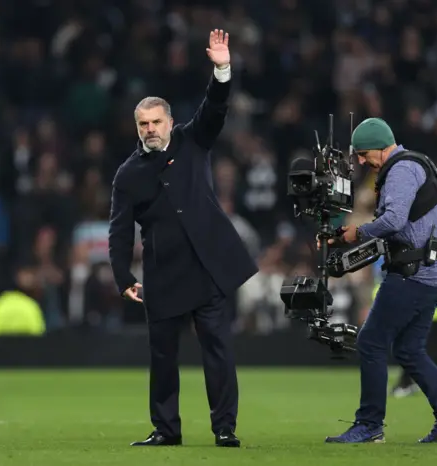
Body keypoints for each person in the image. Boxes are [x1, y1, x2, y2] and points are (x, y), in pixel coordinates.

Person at [108, 30, 258, 448]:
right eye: (143, 124)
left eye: (157, 122)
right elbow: (120, 230)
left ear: (171, 122)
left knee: (218, 351)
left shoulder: (194, 140)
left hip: (207, 266)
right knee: (162, 358)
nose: (151, 129)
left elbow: (216, 107)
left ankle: (224, 427)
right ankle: (166, 430)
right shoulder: (128, 174)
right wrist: (123, 278)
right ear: (136, 127)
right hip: (162, 273)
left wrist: (222, 68)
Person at [323, 117, 437, 443]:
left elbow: (394, 220)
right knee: (409, 350)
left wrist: (357, 232)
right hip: (432, 273)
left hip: (412, 274)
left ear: (379, 145)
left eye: (363, 154)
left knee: (371, 342)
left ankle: (369, 425)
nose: (362, 161)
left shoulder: (401, 170)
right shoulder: (419, 163)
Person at [389, 233, 437, 397]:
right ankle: (413, 381)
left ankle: (407, 382)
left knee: (412, 346)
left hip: (430, 301)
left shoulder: (427, 237)